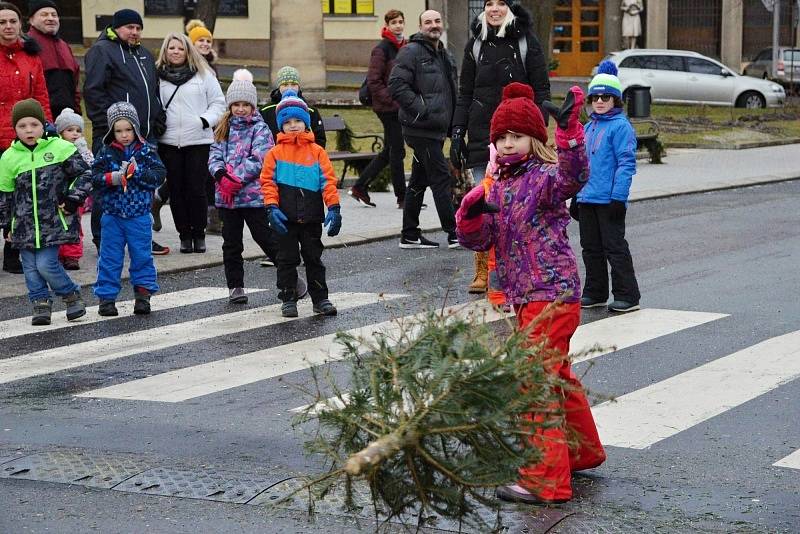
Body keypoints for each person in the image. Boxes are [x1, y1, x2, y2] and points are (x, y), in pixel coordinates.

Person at [456, 82, 606, 505]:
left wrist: (570, 133)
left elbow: (575, 176)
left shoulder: (544, 178)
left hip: (552, 294)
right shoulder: (498, 186)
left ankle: (544, 480)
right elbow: (481, 240)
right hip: (525, 297)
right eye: (500, 138)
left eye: (516, 136)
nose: (507, 144)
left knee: (531, 383)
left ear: (535, 138)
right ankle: (580, 452)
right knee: (553, 376)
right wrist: (467, 218)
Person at [453, 0, 551, 292]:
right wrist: (458, 131)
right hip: (483, 136)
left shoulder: (525, 41)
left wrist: (538, 131)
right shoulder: (476, 44)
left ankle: (519, 266)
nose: (494, 9)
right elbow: (465, 92)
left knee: (517, 207)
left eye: (500, 3)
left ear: (510, 8)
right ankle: (482, 272)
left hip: (517, 137)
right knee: (482, 204)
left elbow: (542, 88)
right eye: (488, 4)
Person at [209, 69, 308, 304]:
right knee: (231, 244)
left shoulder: (260, 129)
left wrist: (237, 178)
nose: (240, 109)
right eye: (236, 104)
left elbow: (260, 157)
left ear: (252, 106)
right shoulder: (223, 128)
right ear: (230, 106)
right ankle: (235, 286)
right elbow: (214, 155)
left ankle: (291, 279)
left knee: (267, 239)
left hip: (253, 196)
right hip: (228, 198)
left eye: (245, 104)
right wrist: (221, 175)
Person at [83, 8, 169, 256]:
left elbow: (152, 92)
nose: (134, 32)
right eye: (130, 27)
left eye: (138, 28)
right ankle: (104, 240)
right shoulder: (103, 51)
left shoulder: (142, 53)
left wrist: (158, 117)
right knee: (109, 185)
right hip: (114, 136)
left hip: (144, 136)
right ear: (116, 28)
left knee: (141, 188)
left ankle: (141, 238)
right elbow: (94, 91)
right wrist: (107, 127)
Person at [0, 99, 90, 325]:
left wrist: (72, 199)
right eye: (22, 126)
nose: (29, 130)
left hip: (54, 221)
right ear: (15, 129)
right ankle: (40, 303)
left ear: (43, 125)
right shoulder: (9, 157)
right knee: (30, 268)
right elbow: (5, 194)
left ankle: (70, 294)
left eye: (34, 124)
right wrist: (6, 225)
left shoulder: (60, 148)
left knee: (46, 264)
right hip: (23, 226)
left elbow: (84, 175)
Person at [259, 90, 341, 318]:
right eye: (287, 122)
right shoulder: (274, 154)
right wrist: (271, 207)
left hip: (312, 216)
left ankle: (320, 298)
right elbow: (267, 182)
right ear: (280, 126)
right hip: (285, 217)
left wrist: (334, 207)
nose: (293, 125)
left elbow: (328, 181)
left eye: (298, 121)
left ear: (306, 124)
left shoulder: (317, 152)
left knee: (314, 258)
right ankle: (288, 297)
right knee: (286, 259)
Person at [389, 9, 459, 249]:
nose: (433, 25)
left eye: (437, 21)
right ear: (420, 27)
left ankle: (409, 234)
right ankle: (454, 233)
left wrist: (455, 123)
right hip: (421, 129)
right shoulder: (411, 51)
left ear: (443, 24)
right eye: (428, 22)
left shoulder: (444, 54)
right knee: (441, 177)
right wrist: (421, 109)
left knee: (419, 181)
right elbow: (396, 85)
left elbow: (451, 90)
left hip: (438, 128)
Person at [574, 61, 641, 313]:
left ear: (616, 100)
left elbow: (626, 164)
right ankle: (595, 291)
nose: (599, 101)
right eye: (595, 97)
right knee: (590, 248)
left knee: (614, 248)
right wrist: (576, 197)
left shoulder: (620, 127)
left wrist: (618, 198)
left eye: (606, 97)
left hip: (609, 200)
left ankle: (627, 295)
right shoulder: (588, 127)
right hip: (588, 199)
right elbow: (581, 164)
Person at [91, 102, 165, 317]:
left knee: (142, 256)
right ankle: (106, 298)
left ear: (136, 128)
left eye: (128, 129)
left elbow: (159, 176)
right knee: (109, 258)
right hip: (112, 215)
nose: (124, 135)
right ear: (111, 131)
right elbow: (93, 178)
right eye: (119, 130)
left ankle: (143, 295)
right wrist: (111, 178)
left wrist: (138, 172)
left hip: (139, 216)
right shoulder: (105, 153)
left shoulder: (147, 152)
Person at [155, 32, 225, 254]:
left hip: (198, 140)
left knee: (196, 190)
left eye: (180, 48)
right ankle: (184, 234)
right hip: (169, 142)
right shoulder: (156, 76)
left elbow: (218, 103)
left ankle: (199, 233)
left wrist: (203, 121)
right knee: (176, 190)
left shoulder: (204, 75)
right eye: (171, 48)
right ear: (165, 51)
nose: (176, 52)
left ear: (188, 51)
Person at [0, 2, 52, 274]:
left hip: (26, 138)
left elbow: (41, 95)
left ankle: (13, 254)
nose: (8, 26)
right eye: (2, 22)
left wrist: (47, 126)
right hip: (0, 138)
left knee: (21, 197)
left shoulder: (31, 56)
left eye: (12, 21)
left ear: (20, 24)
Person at [348, 8, 407, 209]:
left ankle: (359, 187)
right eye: (394, 22)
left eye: (400, 21)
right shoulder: (382, 49)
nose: (398, 25)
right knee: (397, 151)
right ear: (387, 25)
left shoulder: (404, 47)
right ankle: (402, 197)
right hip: (387, 108)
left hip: (398, 105)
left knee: (390, 151)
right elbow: (374, 81)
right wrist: (392, 100)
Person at [184, 18, 221, 234]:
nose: (205, 44)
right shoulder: (189, 66)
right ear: (192, 43)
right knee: (194, 172)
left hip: (211, 124)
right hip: (194, 125)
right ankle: (161, 198)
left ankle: (213, 218)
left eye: (208, 40)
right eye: (200, 41)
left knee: (207, 170)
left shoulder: (211, 66)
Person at [26, 0, 81, 119]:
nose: (50, 18)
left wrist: (76, 112)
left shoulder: (65, 46)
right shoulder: (25, 44)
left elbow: (75, 82)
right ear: (31, 20)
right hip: (37, 117)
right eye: (44, 14)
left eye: (54, 15)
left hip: (66, 118)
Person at [54, 107, 92, 270]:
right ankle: (58, 254)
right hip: (58, 194)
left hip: (77, 194)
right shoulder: (55, 149)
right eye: (70, 130)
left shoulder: (83, 149)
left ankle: (72, 255)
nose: (75, 133)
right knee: (58, 224)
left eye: (78, 130)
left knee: (74, 224)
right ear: (60, 132)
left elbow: (90, 168)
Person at [259, 66, 326, 148]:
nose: (289, 88)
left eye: (294, 84)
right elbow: (261, 137)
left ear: (299, 86)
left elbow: (319, 139)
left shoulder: (310, 111)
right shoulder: (265, 110)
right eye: (285, 85)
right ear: (279, 87)